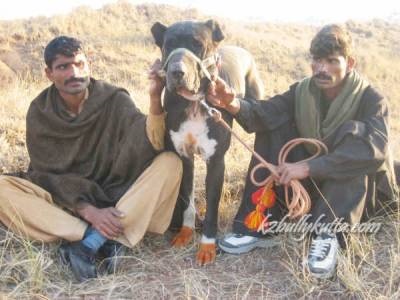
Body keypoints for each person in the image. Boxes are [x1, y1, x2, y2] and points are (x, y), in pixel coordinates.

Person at [207, 24, 399, 279]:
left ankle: (328, 235)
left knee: (356, 135)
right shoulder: (302, 91)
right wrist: (231, 103)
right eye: (317, 60)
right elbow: (265, 113)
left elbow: (374, 149)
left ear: (350, 63)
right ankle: (259, 225)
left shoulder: (371, 99)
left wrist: (308, 167)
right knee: (274, 123)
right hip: (313, 186)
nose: (322, 69)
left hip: (356, 194)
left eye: (332, 61)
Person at [0, 36, 182, 282]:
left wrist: (154, 98)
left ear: (89, 64)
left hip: (115, 195)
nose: (74, 73)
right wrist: (87, 211)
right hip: (65, 203)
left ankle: (86, 244)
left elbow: (150, 143)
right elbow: (45, 174)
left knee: (170, 162)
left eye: (79, 64)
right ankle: (92, 236)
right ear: (48, 73)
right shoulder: (39, 110)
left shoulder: (113, 99)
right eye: (64, 67)